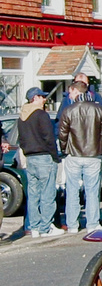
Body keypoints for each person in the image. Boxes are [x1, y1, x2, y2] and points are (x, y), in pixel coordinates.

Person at [59, 81, 102, 233]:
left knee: (72, 190)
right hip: (93, 154)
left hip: (73, 154)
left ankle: (72, 224)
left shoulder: (68, 110)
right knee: (92, 190)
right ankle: (92, 223)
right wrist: (100, 149)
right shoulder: (99, 109)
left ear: (76, 92)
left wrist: (65, 149)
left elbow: (62, 134)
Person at [17, 87, 63, 238]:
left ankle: (34, 227)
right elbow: (49, 137)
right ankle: (46, 227)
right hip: (44, 156)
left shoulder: (22, 116)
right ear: (35, 98)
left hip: (30, 157)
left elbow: (22, 139)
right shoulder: (41, 115)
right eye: (42, 97)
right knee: (48, 194)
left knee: (33, 194)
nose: (44, 100)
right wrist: (55, 156)